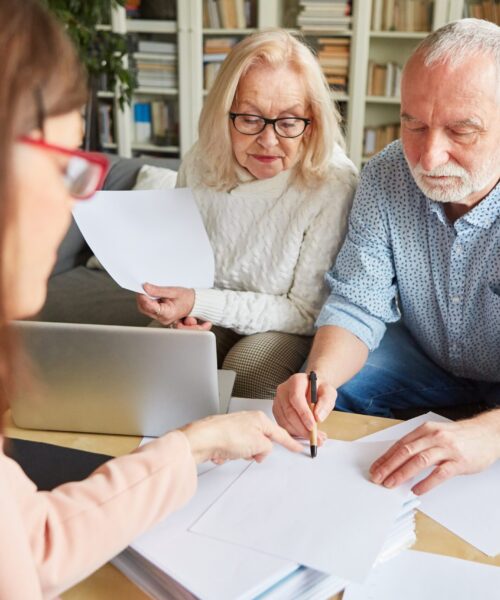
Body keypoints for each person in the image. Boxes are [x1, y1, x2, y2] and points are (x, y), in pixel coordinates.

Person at [0, 2, 302, 598]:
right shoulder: (202, 168)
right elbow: (30, 555)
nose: (73, 206)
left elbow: (30, 541)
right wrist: (189, 305)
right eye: (63, 169)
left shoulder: (327, 186)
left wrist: (192, 442)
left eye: (289, 120)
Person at [273, 19, 500, 495]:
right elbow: (358, 302)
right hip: (422, 359)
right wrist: (317, 380)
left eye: (461, 131)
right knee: (320, 394)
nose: (429, 156)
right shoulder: (385, 175)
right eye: (414, 124)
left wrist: (487, 435)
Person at [136, 29, 357, 399]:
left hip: (284, 324)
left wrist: (199, 301)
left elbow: (304, 312)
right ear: (224, 113)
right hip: (208, 305)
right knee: (152, 356)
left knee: (247, 375)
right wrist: (179, 309)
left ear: (313, 121)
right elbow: (180, 259)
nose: (268, 141)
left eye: (288, 122)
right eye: (250, 119)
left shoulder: (332, 182)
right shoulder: (202, 160)